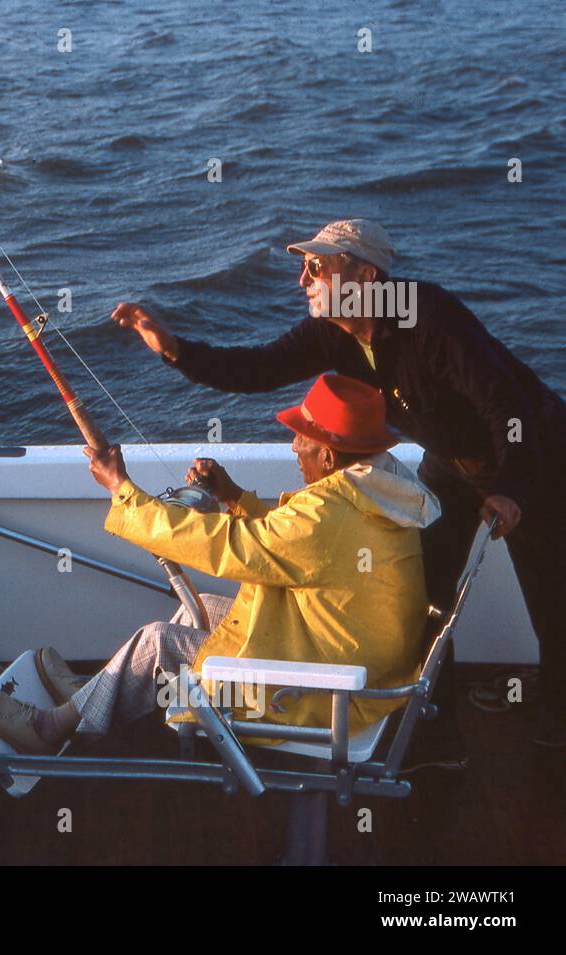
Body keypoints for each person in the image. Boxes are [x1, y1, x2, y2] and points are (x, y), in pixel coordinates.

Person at [112, 219, 566, 750]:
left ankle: (557, 716)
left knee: (552, 589)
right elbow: (257, 369)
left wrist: (510, 487)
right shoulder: (333, 331)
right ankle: (430, 731)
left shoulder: (428, 315)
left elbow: (504, 404)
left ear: (366, 275)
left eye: (317, 267)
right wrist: (174, 350)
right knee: (424, 592)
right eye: (303, 267)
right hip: (453, 458)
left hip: (534, 452)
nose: (302, 280)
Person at [0, 374, 440, 755]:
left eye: (301, 437)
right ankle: (93, 694)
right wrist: (233, 498)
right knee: (197, 612)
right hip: (356, 666)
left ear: (329, 454)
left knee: (159, 641)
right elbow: (297, 545)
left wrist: (123, 493)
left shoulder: (328, 514)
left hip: (321, 696)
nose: (294, 447)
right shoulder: (375, 489)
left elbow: (229, 547)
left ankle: (51, 729)